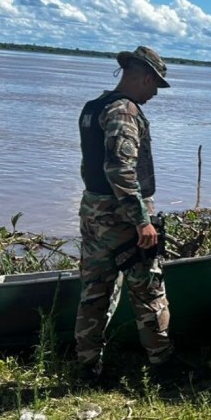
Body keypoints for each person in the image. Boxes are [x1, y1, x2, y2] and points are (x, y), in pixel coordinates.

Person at [74, 45, 197, 384]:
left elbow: (92, 166)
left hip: (94, 212)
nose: (155, 93)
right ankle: (163, 364)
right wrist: (142, 220)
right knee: (149, 290)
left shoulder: (93, 107)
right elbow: (120, 169)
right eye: (156, 85)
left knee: (94, 291)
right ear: (145, 78)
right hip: (122, 218)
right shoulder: (124, 112)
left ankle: (88, 367)